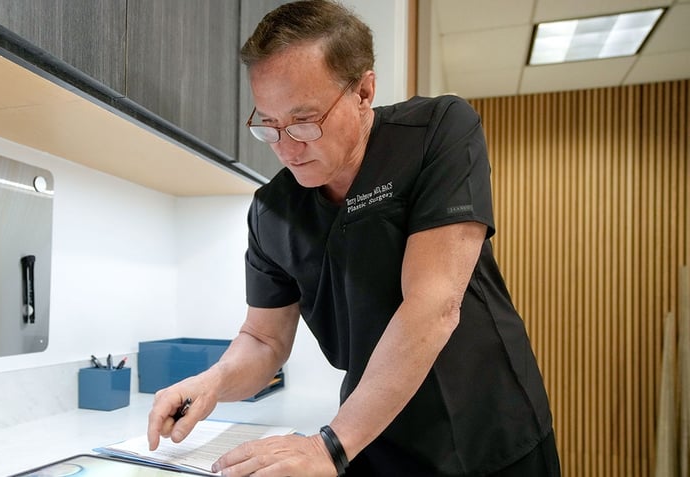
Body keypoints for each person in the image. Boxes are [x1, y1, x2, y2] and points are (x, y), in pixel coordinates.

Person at [147, 1, 560, 475]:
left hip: (489, 433)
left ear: (364, 90)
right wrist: (213, 382)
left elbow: (434, 305)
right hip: (370, 435)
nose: (285, 146)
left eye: (304, 121)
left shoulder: (437, 132)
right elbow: (263, 339)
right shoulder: (272, 210)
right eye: (268, 124)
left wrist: (330, 447)